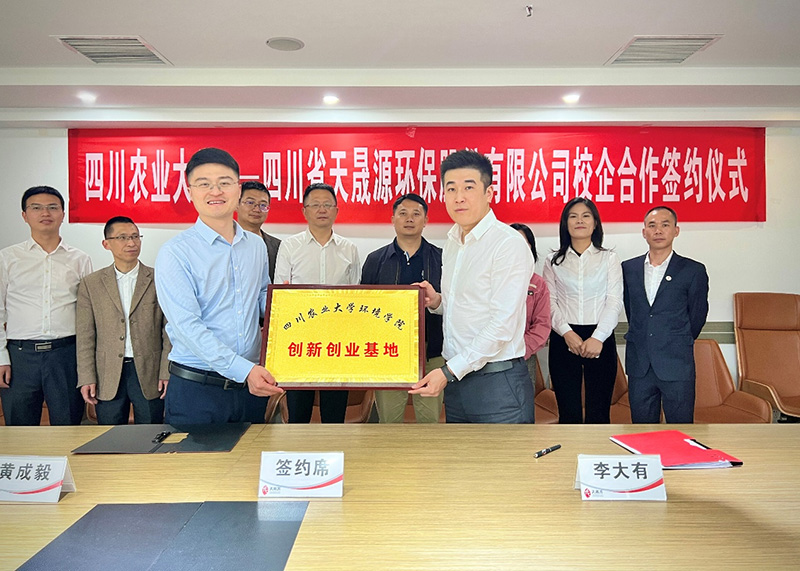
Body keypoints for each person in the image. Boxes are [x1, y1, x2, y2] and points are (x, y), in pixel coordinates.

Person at [154, 147, 283, 424]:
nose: (215, 191)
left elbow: (261, 295)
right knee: (196, 456)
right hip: (198, 390)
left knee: (252, 453)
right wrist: (244, 370)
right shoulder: (175, 253)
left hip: (250, 387)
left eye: (224, 183)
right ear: (189, 192)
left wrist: (292, 306)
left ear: (238, 189)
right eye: (204, 184)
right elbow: (187, 326)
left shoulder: (256, 245)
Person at [410, 149, 535, 424]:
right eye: (451, 189)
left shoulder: (508, 244)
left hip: (497, 384)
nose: (459, 197)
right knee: (460, 454)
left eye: (468, 187)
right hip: (458, 381)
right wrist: (438, 302)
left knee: (503, 455)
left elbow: (502, 324)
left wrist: (448, 372)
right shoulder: (453, 243)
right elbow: (470, 306)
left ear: (489, 193)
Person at [0, 185, 92, 425]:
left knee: (69, 428)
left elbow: (88, 315)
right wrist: (1, 358)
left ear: (63, 214)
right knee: (19, 431)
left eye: (52, 207)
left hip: (65, 356)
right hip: (20, 357)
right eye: (36, 208)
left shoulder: (80, 259)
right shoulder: (7, 258)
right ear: (24, 215)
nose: (45, 213)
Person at [275, 182, 361, 423]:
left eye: (327, 205)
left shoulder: (349, 249)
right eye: (315, 205)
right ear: (304, 210)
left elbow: (355, 296)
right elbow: (281, 294)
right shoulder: (289, 247)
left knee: (334, 414)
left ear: (336, 210)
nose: (322, 209)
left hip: (338, 341)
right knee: (298, 413)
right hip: (300, 339)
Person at [76, 216, 171, 424]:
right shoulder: (91, 284)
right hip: (107, 373)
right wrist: (87, 377)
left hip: (149, 372)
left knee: (151, 433)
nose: (131, 243)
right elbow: (85, 336)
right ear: (106, 244)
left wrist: (166, 371)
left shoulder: (159, 279)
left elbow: (169, 331)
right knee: (109, 436)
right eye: (122, 237)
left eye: (135, 236)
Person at [361, 193, 444, 423]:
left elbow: (452, 304)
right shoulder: (375, 260)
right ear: (393, 219)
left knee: (429, 422)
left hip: (431, 351)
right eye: (403, 213)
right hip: (389, 352)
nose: (409, 219)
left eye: (416, 214)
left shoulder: (441, 258)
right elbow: (364, 308)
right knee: (389, 422)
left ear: (426, 220)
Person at [622, 206, 709, 423]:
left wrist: (676, 339)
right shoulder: (628, 269)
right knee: (642, 431)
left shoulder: (693, 270)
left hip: (676, 363)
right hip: (640, 364)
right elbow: (631, 311)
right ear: (644, 232)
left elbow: (697, 316)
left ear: (676, 231)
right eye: (652, 225)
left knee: (680, 430)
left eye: (665, 225)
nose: (658, 230)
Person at [543, 197, 622, 424]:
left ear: (595, 223)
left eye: (586, 216)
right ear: (565, 223)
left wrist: (598, 337)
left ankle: (597, 449)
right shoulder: (552, 261)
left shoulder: (609, 258)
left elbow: (614, 301)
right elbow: (550, 302)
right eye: (573, 216)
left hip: (600, 338)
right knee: (569, 412)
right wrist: (566, 333)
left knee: (599, 412)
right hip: (563, 337)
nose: (580, 221)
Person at [509, 223, 551, 387]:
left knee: (523, 401)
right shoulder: (488, 280)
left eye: (523, 243)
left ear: (530, 248)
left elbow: (542, 324)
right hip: (490, 357)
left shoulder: (537, 284)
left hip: (523, 357)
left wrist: (520, 350)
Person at [236, 181, 281, 283]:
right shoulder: (222, 241)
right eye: (250, 203)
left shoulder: (278, 246)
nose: (257, 209)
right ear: (236, 205)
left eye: (263, 205)